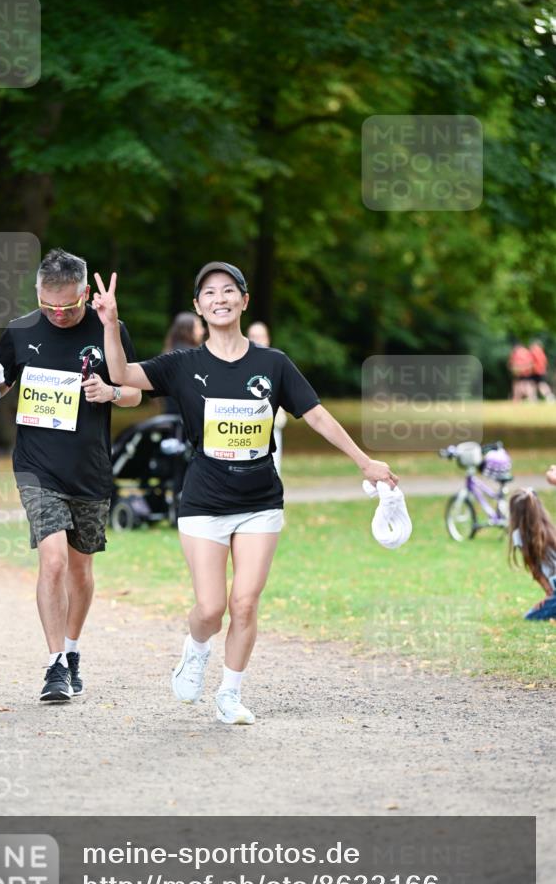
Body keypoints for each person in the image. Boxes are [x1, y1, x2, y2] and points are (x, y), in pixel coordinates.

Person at [94, 260, 397, 725]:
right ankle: (195, 650)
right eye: (210, 293)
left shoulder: (272, 363)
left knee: (245, 603)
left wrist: (364, 460)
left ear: (244, 300)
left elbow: (316, 414)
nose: (220, 298)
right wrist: (111, 325)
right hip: (203, 502)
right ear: (198, 307)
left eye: (229, 290)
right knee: (212, 609)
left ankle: (230, 694)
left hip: (259, 502)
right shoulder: (183, 364)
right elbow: (122, 374)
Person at [0, 248, 142, 702]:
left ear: (86, 294)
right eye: (48, 305)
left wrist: (111, 391)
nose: (58, 314)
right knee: (52, 560)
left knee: (80, 567)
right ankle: (55, 664)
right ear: (37, 293)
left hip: (90, 467)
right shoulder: (19, 331)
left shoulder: (107, 330)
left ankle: (73, 650)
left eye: (68, 306)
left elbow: (137, 391)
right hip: (36, 465)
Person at [247, 320, 288, 476]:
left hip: (271, 424)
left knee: (273, 469)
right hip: (246, 426)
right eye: (252, 336)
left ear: (267, 339)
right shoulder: (239, 362)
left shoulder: (277, 362)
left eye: (260, 336)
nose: (256, 340)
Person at [509, 489, 556, 620]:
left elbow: (536, 570)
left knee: (530, 616)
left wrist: (549, 595)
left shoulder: (518, 535)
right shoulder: (550, 529)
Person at [162, 312, 206, 415]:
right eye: (199, 327)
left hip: (171, 417)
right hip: (192, 419)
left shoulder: (168, 354)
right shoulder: (194, 356)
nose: (203, 331)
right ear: (188, 330)